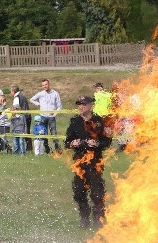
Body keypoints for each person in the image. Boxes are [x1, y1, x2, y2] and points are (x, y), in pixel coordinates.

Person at [65, 95, 113, 230]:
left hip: (95, 163)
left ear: (91, 105)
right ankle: (84, 218)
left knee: (97, 193)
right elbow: (67, 142)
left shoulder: (99, 121)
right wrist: (73, 143)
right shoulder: (75, 122)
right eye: (78, 104)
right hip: (79, 162)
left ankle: (98, 219)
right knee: (79, 192)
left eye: (83, 104)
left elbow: (107, 141)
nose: (80, 107)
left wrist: (97, 143)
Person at [30, 78, 63, 154]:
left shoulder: (55, 93)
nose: (45, 86)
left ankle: (57, 150)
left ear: (49, 84)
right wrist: (38, 104)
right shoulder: (40, 94)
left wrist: (54, 114)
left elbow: (59, 106)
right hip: (43, 117)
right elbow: (31, 99)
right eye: (43, 85)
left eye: (46, 84)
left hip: (51, 117)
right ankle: (47, 150)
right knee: (43, 134)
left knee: (54, 134)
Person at [11, 85, 32, 151]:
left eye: (11, 91)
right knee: (27, 132)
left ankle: (21, 148)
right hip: (28, 116)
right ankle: (29, 147)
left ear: (13, 91)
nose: (10, 93)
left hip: (22, 117)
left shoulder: (17, 97)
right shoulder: (23, 95)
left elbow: (16, 108)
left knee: (20, 132)